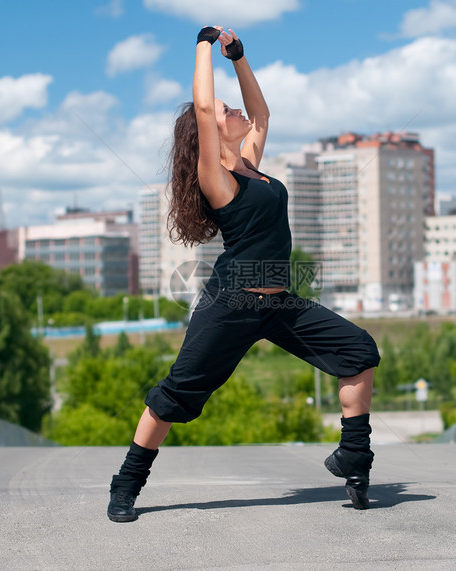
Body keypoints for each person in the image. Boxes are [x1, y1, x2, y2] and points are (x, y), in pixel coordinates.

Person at [107, 26, 380, 523]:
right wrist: (204, 43)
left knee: (358, 352)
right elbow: (207, 108)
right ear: (208, 132)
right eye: (222, 111)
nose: (233, 112)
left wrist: (239, 56)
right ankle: (125, 485)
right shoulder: (216, 177)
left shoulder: (252, 165)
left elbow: (262, 114)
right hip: (231, 304)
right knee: (175, 396)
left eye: (233, 110)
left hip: (279, 303)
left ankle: (353, 457)